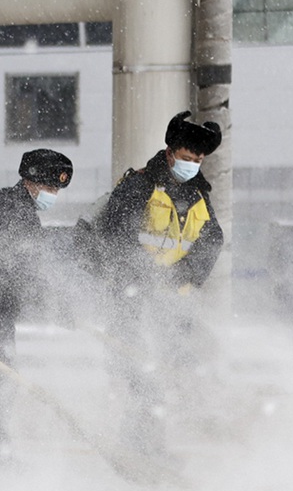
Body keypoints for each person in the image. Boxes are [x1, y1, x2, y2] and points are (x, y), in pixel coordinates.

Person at [76, 110, 223, 462]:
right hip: (131, 301)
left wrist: (182, 276)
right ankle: (141, 449)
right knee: (142, 376)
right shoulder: (139, 187)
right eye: (187, 158)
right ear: (171, 153)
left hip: (172, 303)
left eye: (198, 160)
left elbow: (212, 239)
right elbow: (116, 237)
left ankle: (149, 444)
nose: (192, 165)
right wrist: (144, 279)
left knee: (179, 369)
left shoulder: (200, 197)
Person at [0, 148, 74, 473]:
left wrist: (55, 306)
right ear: (30, 181)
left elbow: (25, 271)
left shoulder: (18, 208)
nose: (53, 195)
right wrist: (50, 305)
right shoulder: (8, 207)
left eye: (56, 190)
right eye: (49, 187)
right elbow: (10, 268)